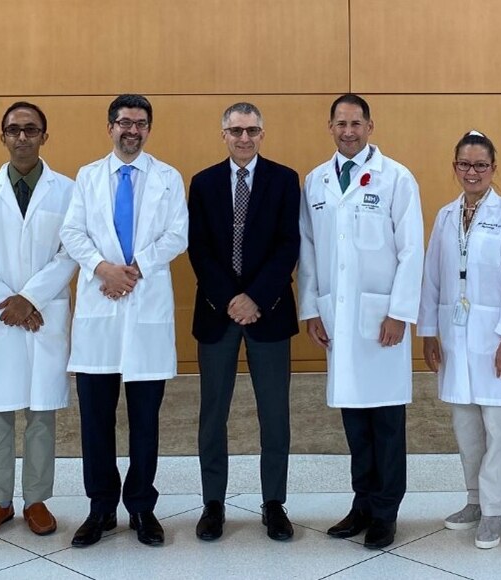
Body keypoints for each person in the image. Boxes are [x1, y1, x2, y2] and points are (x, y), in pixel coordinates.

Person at [60, 94, 189, 548]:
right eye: (123, 122)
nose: (131, 130)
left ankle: (141, 508)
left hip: (145, 306)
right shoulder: (88, 176)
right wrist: (102, 269)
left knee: (145, 423)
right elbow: (72, 232)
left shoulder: (168, 177)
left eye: (139, 123)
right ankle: (100, 509)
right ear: (110, 127)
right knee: (96, 422)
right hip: (100, 308)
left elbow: (178, 234)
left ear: (148, 129)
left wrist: (133, 269)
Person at [298, 94, 424, 549]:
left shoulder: (397, 178)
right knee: (354, 420)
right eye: (340, 123)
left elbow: (412, 249)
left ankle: (386, 511)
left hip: (381, 320)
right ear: (329, 127)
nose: (348, 131)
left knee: (386, 421)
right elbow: (308, 250)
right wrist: (311, 307)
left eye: (356, 123)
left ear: (371, 126)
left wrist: (398, 313)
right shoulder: (315, 182)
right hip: (339, 319)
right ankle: (362, 504)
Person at [0, 102, 77, 539]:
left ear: (45, 136)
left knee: (41, 414)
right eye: (14, 130)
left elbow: (71, 252)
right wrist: (6, 302)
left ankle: (36, 501)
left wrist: (28, 299)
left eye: (31, 129)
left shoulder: (66, 191)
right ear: (3, 136)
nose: (23, 137)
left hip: (42, 315)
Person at [187, 102, 300, 542]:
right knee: (212, 414)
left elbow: (289, 245)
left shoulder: (285, 180)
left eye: (252, 130)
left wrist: (254, 298)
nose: (244, 138)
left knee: (275, 414)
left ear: (262, 133)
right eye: (236, 130)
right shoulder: (203, 183)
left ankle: (274, 503)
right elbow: (198, 249)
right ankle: (212, 503)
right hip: (217, 313)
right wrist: (231, 298)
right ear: (224, 134)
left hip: (268, 312)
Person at [416, 130, 501, 549]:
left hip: (495, 338)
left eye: (480, 165)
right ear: (454, 168)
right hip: (455, 337)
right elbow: (432, 277)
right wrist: (428, 331)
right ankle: (473, 501)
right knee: (466, 426)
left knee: (499, 429)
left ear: (493, 169)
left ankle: (495, 511)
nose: (472, 172)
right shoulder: (446, 216)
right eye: (464, 164)